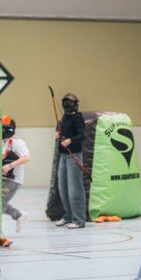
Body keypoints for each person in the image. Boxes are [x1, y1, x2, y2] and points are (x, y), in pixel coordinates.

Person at [55, 93, 86, 229]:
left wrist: (70, 140)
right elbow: (64, 133)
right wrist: (58, 135)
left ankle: (79, 220)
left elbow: (82, 136)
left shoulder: (78, 118)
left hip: (74, 156)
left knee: (75, 189)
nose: (67, 105)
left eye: (70, 102)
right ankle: (68, 216)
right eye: (65, 103)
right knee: (63, 188)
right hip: (63, 156)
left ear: (76, 104)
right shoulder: (64, 118)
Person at [1, 115, 30, 233]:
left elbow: (26, 158)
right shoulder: (3, 142)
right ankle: (19, 215)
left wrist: (10, 166)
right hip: (2, 178)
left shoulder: (17, 143)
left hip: (13, 180)